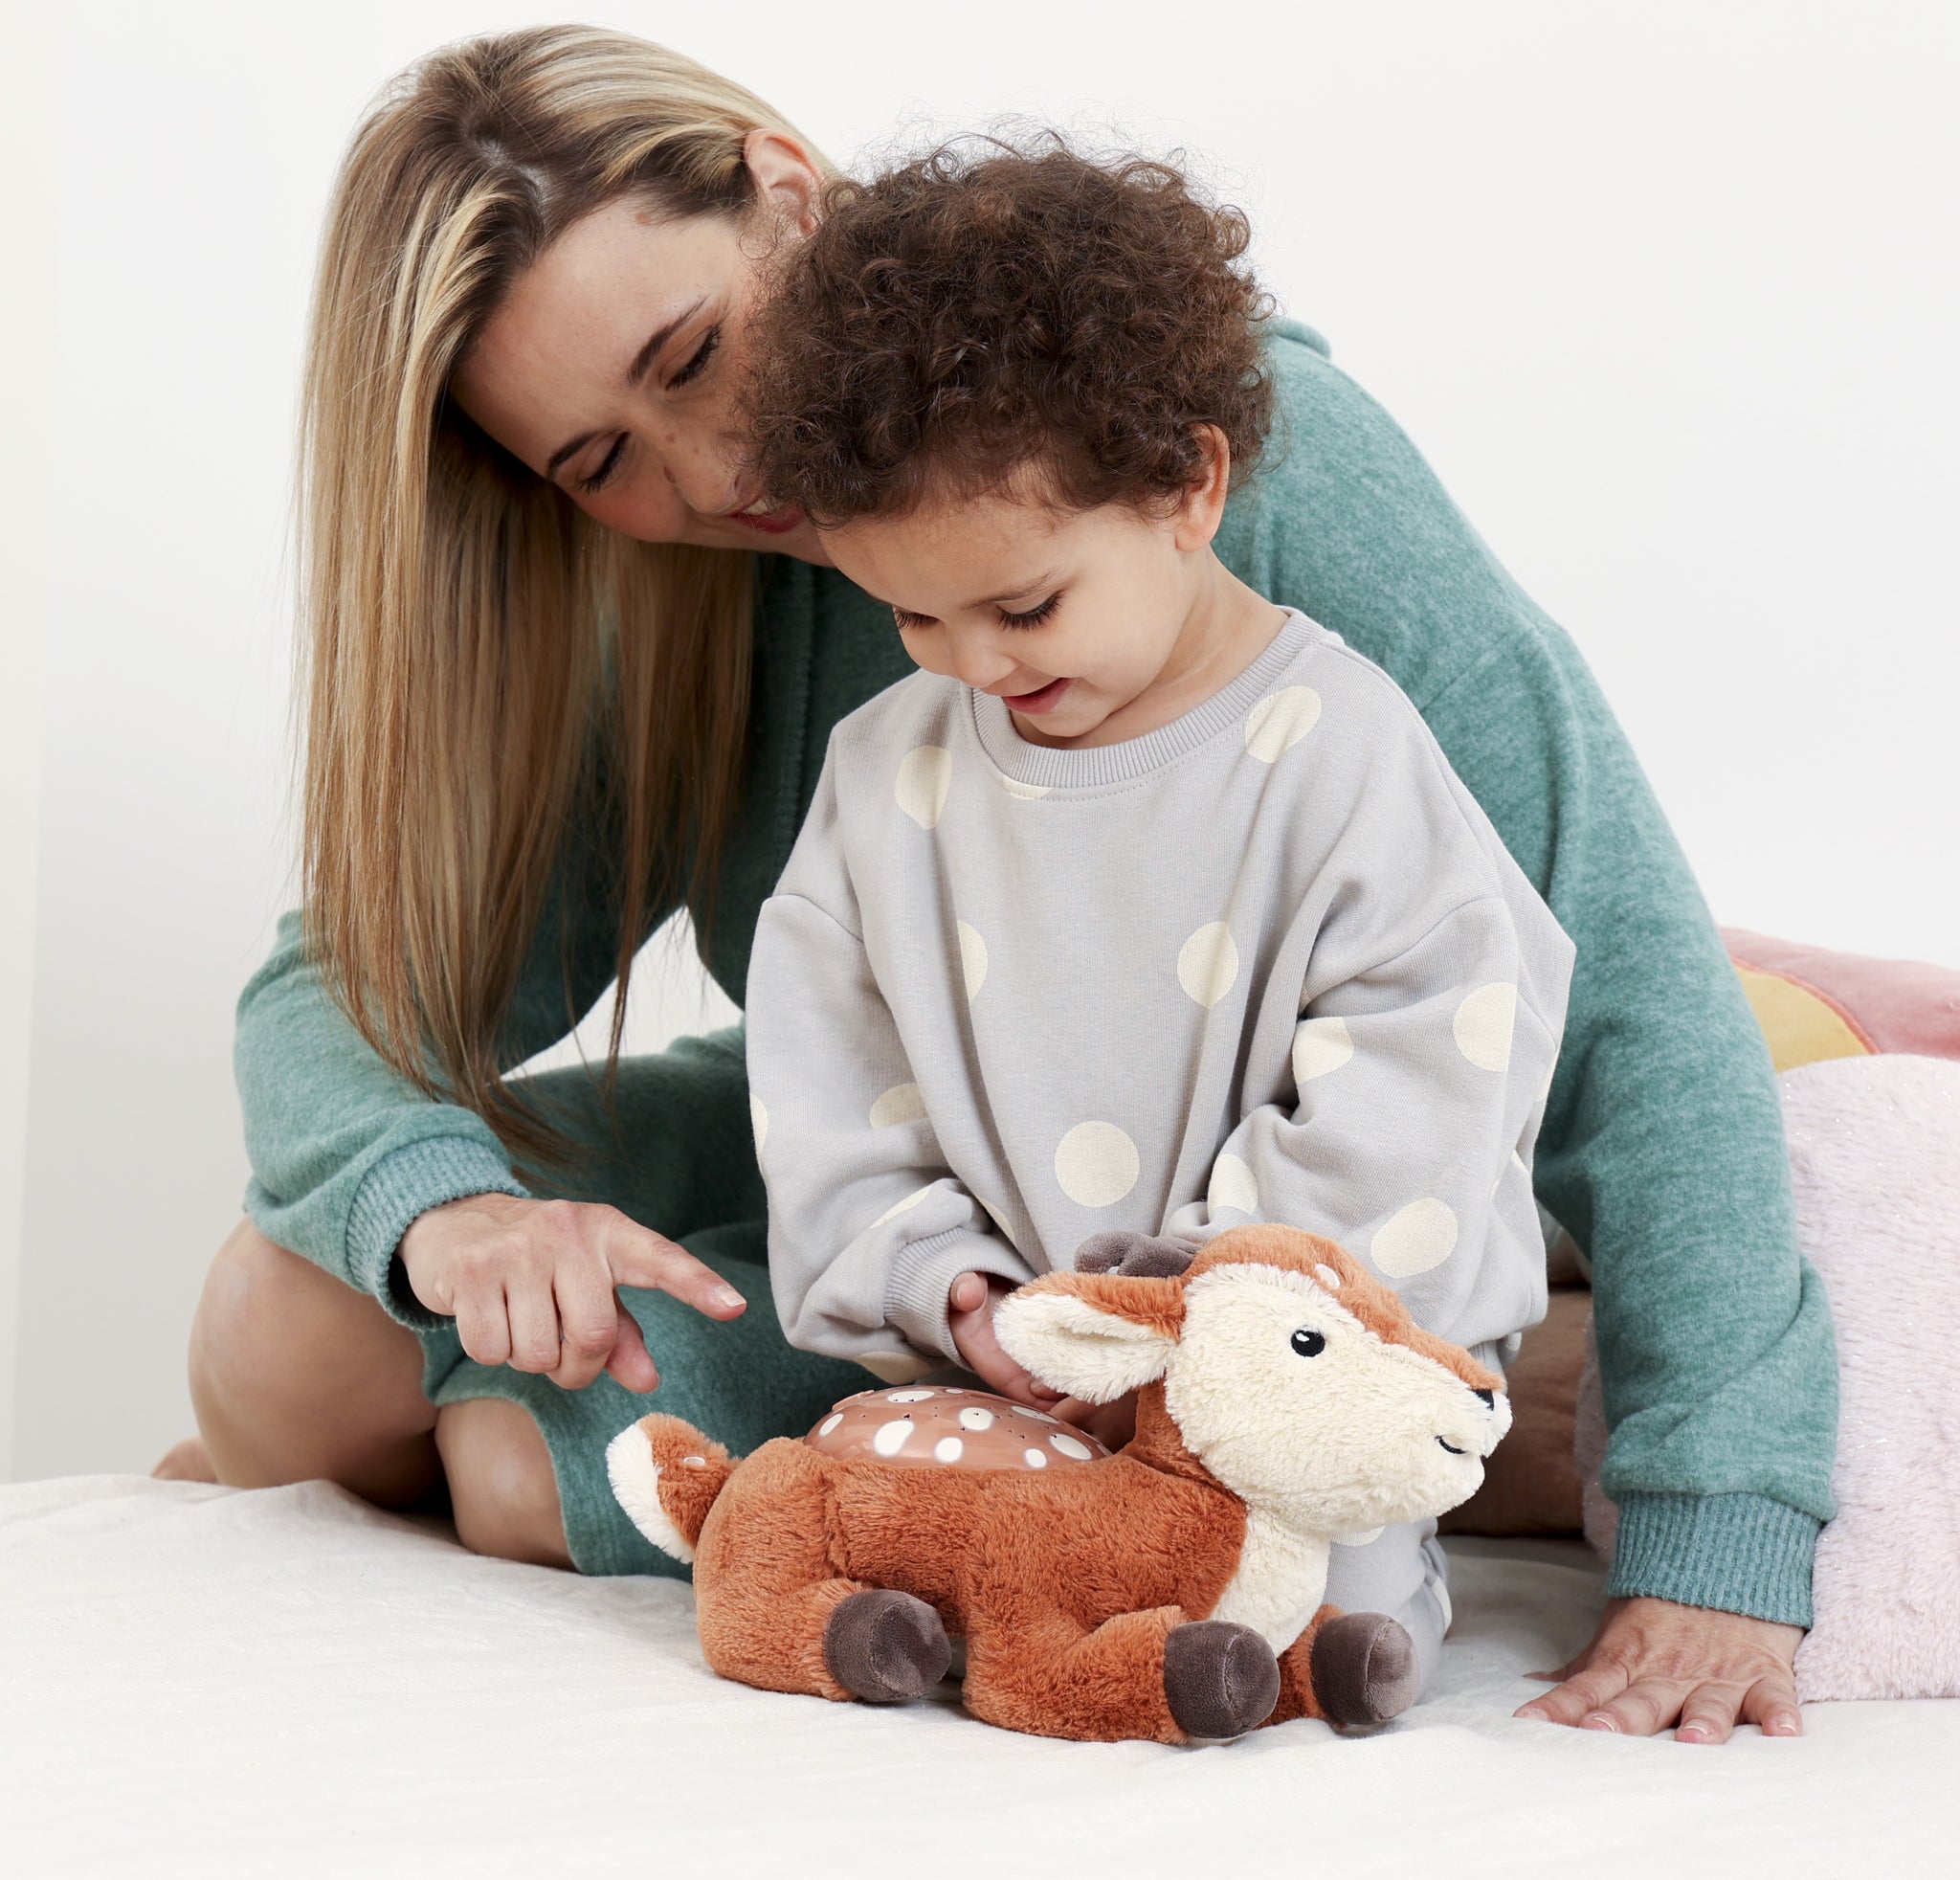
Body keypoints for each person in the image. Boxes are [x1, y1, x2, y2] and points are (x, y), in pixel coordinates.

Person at [171, 25, 1833, 1743]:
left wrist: (1722, 1524)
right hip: (934, 1215)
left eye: (693, 355)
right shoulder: (672, 614)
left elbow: (1625, 977)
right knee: (282, 1323)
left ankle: (1478, 1404)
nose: (715, 478)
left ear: (787, 200)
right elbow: (342, 996)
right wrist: (457, 1214)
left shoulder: (1247, 476)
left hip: (1271, 1236)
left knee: (506, 1460)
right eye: (601, 466)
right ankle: (1415, 1422)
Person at [735, 141, 1576, 1686]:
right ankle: (1040, 1651)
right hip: (1018, 1375)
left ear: (1188, 485)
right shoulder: (886, 777)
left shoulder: (1340, 750)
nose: (972, 661)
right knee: (915, 1525)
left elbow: (1429, 1067)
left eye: (1026, 604)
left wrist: (1201, 1329)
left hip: (1276, 1393)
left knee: (1317, 1613)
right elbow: (828, 1079)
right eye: (913, 612)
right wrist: (961, 1295)